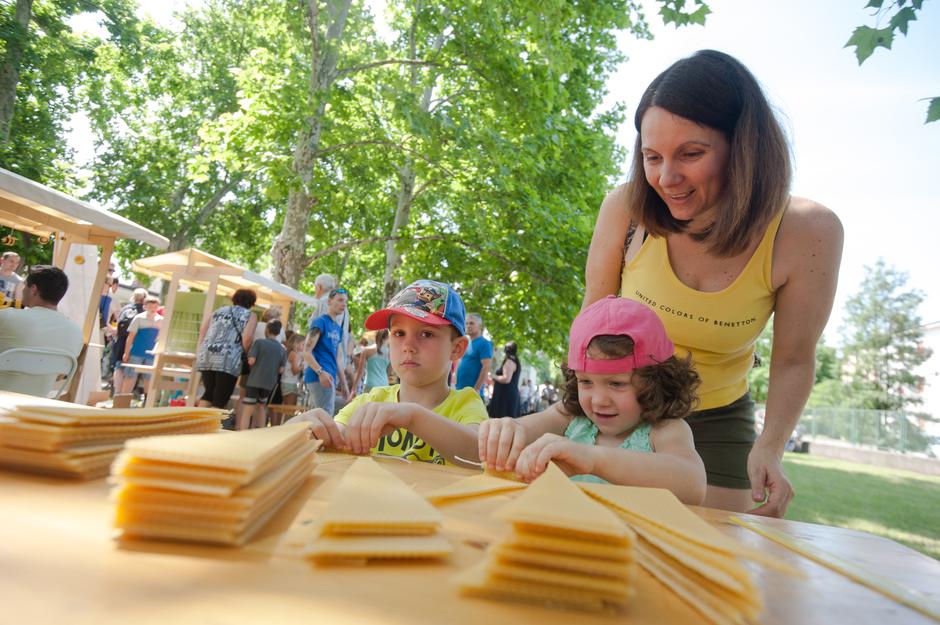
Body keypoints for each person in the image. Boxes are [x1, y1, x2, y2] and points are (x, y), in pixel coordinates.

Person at [580, 50, 843, 516]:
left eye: (691, 154)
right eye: (652, 157)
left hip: (719, 419)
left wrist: (771, 447)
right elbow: (590, 328)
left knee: (713, 548)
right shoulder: (624, 208)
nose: (667, 178)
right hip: (623, 409)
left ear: (743, 149)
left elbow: (794, 359)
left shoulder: (808, 232)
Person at [478, 297, 705, 504]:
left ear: (656, 381)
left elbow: (693, 485)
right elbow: (519, 429)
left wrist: (594, 459)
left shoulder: (665, 430)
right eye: (585, 381)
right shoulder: (569, 417)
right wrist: (506, 430)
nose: (598, 401)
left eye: (616, 383)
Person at [289, 279, 486, 465]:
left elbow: (479, 454)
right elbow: (336, 437)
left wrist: (413, 416)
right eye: (399, 333)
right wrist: (305, 431)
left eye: (427, 334)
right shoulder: (371, 401)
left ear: (457, 348)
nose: (408, 346)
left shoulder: (465, 403)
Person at [0, 265, 83, 396]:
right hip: (36, 403)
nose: (22, 290)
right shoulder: (76, 333)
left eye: (25, 286)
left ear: (33, 289)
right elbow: (59, 377)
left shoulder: (7, 317)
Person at [195, 288, 258, 409]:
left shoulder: (218, 311)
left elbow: (203, 332)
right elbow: (247, 338)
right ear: (252, 303)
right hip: (229, 357)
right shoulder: (251, 315)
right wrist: (243, 353)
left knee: (208, 394)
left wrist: (200, 352)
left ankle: (199, 420)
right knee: (220, 398)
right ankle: (213, 422)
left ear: (234, 299)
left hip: (207, 354)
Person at [303, 288, 350, 415]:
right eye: (340, 300)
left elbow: (338, 359)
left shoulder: (338, 329)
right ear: (329, 301)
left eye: (345, 301)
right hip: (318, 377)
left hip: (330, 378)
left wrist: (344, 385)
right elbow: (306, 352)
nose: (344, 304)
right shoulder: (320, 322)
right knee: (324, 417)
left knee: (320, 417)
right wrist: (320, 372)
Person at [239, 320, 287, 430]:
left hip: (254, 380)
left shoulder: (259, 343)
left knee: (248, 409)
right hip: (269, 383)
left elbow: (251, 361)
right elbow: (281, 370)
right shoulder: (282, 349)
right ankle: (261, 432)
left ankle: (242, 433)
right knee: (261, 407)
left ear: (267, 330)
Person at [120, 295, 163, 397]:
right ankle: (122, 399)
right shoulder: (139, 318)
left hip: (152, 354)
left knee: (149, 378)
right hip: (137, 352)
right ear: (145, 307)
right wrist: (126, 353)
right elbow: (131, 336)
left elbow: (161, 339)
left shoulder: (161, 320)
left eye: (155, 307)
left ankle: (147, 401)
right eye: (150, 306)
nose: (153, 309)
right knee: (130, 376)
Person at [110, 288, 147, 394]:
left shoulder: (125, 308)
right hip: (135, 344)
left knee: (119, 367)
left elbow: (118, 325)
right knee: (132, 371)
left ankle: (117, 393)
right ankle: (124, 395)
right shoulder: (144, 312)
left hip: (120, 342)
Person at [455, 312, 492, 397]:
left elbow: (486, 367)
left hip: (473, 393)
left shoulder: (484, 343)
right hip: (459, 390)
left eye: (471, 323)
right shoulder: (465, 342)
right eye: (466, 323)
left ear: (480, 326)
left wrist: (477, 389)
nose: (468, 326)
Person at [487, 341, 522, 418]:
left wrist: (493, 376)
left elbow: (506, 379)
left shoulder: (510, 361)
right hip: (507, 395)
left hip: (505, 397)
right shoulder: (514, 361)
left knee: (502, 421)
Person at [353, 328, 391, 394]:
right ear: (388, 337)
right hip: (384, 384)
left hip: (370, 384)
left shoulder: (366, 350)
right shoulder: (391, 354)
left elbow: (360, 372)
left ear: (376, 336)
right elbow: (388, 372)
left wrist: (354, 389)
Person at [281, 333, 306, 409]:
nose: (304, 346)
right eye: (303, 344)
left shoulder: (293, 353)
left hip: (288, 382)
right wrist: (303, 367)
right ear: (296, 344)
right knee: (290, 409)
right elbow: (294, 371)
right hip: (290, 383)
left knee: (288, 408)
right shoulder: (294, 354)